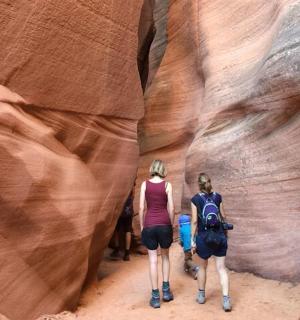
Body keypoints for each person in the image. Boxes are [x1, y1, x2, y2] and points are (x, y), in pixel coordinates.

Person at [191, 173, 232, 312]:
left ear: (199, 184)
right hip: (219, 236)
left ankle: (201, 295)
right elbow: (223, 216)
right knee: (221, 268)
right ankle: (226, 300)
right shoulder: (218, 197)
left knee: (202, 267)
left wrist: (192, 240)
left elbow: (195, 222)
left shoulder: (195, 199)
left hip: (203, 238)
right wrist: (225, 233)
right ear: (209, 182)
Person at [139, 159, 175, 308]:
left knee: (153, 260)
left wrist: (142, 226)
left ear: (152, 168)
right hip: (164, 224)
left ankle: (155, 297)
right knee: (165, 256)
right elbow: (171, 208)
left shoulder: (144, 184)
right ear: (163, 169)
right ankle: (166, 291)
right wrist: (170, 225)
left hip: (149, 225)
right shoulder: (167, 185)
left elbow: (141, 207)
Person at [110, 188, 135, 261]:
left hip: (119, 208)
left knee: (116, 229)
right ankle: (127, 253)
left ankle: (117, 249)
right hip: (128, 208)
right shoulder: (132, 180)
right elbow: (133, 193)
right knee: (128, 230)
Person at [178, 214, 199, 279]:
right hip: (195, 245)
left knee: (187, 259)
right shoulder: (192, 227)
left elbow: (181, 240)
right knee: (188, 257)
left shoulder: (181, 229)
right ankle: (186, 268)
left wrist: (181, 243)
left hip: (187, 247)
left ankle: (196, 268)